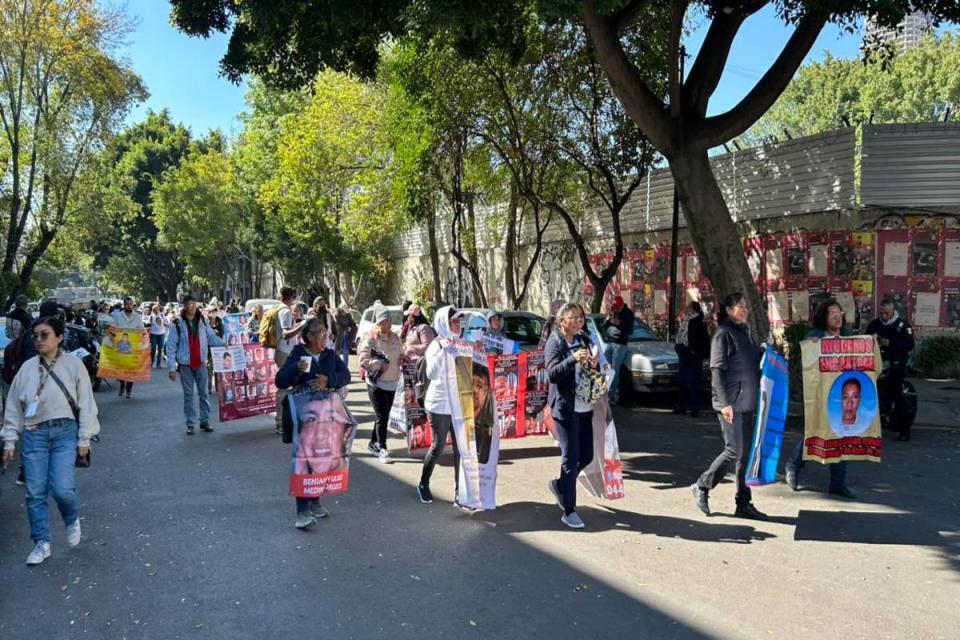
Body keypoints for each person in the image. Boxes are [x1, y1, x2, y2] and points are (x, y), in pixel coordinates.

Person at [2, 316, 100, 565]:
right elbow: (13, 407)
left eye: (44, 335)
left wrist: (84, 437)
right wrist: (10, 440)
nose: (38, 340)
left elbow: (87, 403)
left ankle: (71, 517)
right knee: (35, 492)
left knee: (62, 489)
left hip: (65, 433)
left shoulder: (73, 365)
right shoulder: (26, 368)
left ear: (58, 337)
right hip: (34, 435)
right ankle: (42, 542)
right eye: (35, 336)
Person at [691, 292, 767, 521]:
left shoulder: (745, 333)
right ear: (728, 310)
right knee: (733, 451)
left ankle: (743, 502)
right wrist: (724, 403)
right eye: (739, 306)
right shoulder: (723, 334)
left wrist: (763, 351)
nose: (744, 310)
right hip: (731, 404)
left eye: (746, 306)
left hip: (748, 403)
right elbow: (716, 370)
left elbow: (752, 362)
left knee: (745, 456)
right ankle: (702, 485)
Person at [275, 316, 351, 529]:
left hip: (326, 416)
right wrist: (297, 370)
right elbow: (280, 380)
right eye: (321, 332)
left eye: (326, 332)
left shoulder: (329, 354)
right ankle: (302, 512)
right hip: (303, 417)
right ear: (309, 337)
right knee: (303, 460)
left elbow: (345, 375)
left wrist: (329, 380)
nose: (325, 336)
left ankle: (315, 501)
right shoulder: (299, 354)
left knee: (322, 458)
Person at [785, 299, 855, 497]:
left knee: (841, 436)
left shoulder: (848, 336)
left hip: (842, 395)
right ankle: (793, 466)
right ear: (823, 317)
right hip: (820, 395)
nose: (836, 316)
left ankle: (838, 483)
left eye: (839, 312)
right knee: (815, 433)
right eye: (832, 312)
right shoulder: (814, 336)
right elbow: (805, 360)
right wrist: (812, 347)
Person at [544, 302, 602, 529]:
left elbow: (593, 370)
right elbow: (552, 374)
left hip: (585, 406)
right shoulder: (555, 342)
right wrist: (572, 359)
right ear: (562, 322)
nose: (579, 321)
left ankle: (561, 485)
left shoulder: (585, 339)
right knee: (570, 459)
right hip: (565, 408)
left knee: (586, 455)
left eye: (581, 317)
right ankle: (569, 510)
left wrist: (594, 364)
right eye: (574, 317)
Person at [417, 305, 465, 505]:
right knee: (437, 446)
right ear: (444, 323)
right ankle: (423, 484)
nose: (458, 324)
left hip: (458, 403)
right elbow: (432, 374)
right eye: (454, 321)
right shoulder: (436, 345)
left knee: (460, 449)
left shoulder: (462, 343)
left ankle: (460, 491)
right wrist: (446, 349)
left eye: (459, 321)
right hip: (438, 405)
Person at [166, 294, 226, 435]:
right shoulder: (177, 324)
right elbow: (171, 346)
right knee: (188, 395)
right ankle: (190, 423)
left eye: (194, 304)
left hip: (200, 363)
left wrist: (224, 344)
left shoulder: (203, 321)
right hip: (185, 364)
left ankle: (204, 421)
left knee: (204, 393)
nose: (191, 307)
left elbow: (211, 337)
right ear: (184, 306)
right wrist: (171, 368)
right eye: (188, 304)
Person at [358, 303, 402, 463]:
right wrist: (378, 364)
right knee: (382, 416)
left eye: (388, 320)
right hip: (376, 383)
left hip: (392, 383)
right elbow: (363, 360)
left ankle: (373, 443)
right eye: (383, 321)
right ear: (377, 323)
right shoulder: (371, 338)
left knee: (383, 416)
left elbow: (399, 353)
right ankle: (383, 448)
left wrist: (403, 358)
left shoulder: (396, 337)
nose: (387, 324)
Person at [866, 298, 915, 441]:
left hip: (896, 363)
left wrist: (890, 343)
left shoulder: (903, 325)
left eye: (887, 313)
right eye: (881, 313)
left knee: (896, 394)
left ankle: (905, 430)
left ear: (893, 310)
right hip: (876, 363)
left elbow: (909, 345)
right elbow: (865, 338)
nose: (884, 316)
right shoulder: (874, 324)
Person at [673, 301, 711, 417]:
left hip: (692, 354)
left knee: (693, 382)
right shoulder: (687, 320)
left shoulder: (697, 322)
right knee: (683, 381)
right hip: (685, 352)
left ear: (693, 309)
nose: (687, 309)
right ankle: (682, 405)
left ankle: (694, 408)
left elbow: (702, 339)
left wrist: (694, 350)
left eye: (689, 307)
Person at [275, 287, 304, 434]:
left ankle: (287, 419)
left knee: (292, 385)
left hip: (286, 352)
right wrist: (303, 325)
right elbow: (286, 333)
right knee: (284, 387)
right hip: (284, 353)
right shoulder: (285, 311)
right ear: (291, 297)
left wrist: (301, 323)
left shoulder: (282, 309)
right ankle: (280, 422)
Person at [106, 296, 143, 399]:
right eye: (126, 304)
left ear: (133, 305)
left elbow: (141, 329)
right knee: (121, 369)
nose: (128, 306)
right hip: (120, 345)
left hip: (133, 346)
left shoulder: (137, 316)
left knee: (132, 369)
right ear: (124, 305)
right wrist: (112, 337)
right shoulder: (118, 316)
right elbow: (113, 328)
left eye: (130, 304)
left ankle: (129, 390)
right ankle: (122, 384)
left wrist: (140, 337)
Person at [601, 295, 634, 405]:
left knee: (614, 371)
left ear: (621, 305)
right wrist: (608, 318)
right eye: (614, 307)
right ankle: (604, 393)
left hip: (620, 345)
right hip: (609, 343)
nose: (616, 309)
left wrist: (619, 324)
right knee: (605, 369)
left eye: (617, 308)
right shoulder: (613, 311)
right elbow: (603, 325)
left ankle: (613, 395)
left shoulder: (627, 313)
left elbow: (630, 330)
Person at [147, 303, 169, 368]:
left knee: (160, 349)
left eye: (157, 309)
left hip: (161, 334)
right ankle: (152, 361)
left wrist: (168, 324)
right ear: (153, 310)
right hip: (153, 334)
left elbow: (166, 323)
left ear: (159, 310)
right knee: (153, 348)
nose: (156, 311)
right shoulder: (151, 316)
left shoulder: (162, 315)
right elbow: (148, 325)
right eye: (154, 310)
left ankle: (158, 364)